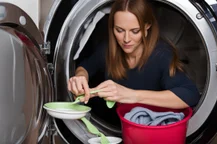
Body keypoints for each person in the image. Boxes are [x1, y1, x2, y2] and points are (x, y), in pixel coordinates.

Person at [68, 0, 200, 109]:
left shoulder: (161, 55)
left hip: (149, 130)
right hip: (114, 126)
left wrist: (131, 95)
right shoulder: (108, 49)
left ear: (147, 26)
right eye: (119, 30)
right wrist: (80, 77)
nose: (126, 39)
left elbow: (190, 95)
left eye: (135, 31)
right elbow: (85, 66)